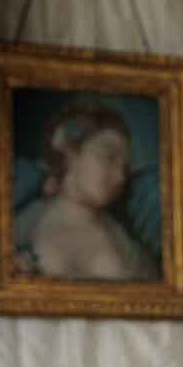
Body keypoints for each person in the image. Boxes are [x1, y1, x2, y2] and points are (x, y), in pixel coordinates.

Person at [29, 100, 156, 281]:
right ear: (71, 153)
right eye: (109, 158)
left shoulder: (115, 226)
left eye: (124, 167)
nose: (120, 177)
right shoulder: (42, 235)